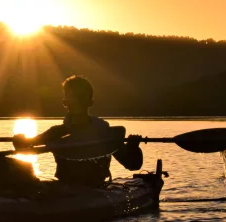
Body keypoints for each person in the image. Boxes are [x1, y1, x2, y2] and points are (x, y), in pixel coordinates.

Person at [13, 75, 143, 187]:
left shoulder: (102, 132)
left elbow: (133, 165)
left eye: (74, 97)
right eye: (68, 97)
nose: (70, 102)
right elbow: (25, 146)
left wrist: (133, 147)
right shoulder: (58, 132)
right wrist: (20, 141)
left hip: (94, 189)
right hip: (67, 189)